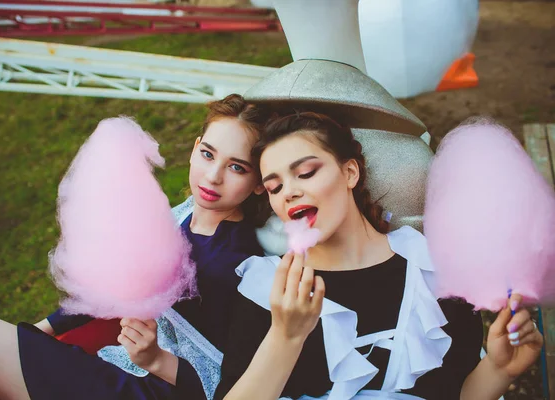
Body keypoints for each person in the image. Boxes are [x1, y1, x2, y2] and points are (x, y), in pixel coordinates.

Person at [0, 94, 270, 400]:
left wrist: (156, 360)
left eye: (237, 167)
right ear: (194, 148)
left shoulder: (241, 264)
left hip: (149, 390)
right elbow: (112, 286)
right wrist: (41, 331)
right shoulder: (184, 213)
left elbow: (238, 387)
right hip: (119, 365)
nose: (213, 176)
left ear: (259, 183)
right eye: (208, 154)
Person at [216, 112, 544, 400]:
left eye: (305, 173)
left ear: (350, 173)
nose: (289, 191)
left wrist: (500, 369)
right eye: (274, 187)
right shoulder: (267, 289)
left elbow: (455, 394)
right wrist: (285, 336)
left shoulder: (430, 272)